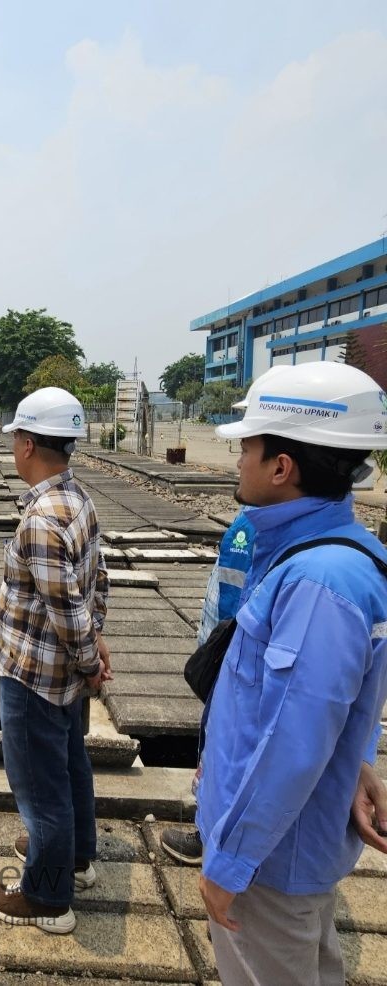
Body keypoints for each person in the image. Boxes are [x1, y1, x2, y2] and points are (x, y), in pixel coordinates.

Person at [196, 362, 387, 985]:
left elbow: (293, 742)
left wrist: (230, 862)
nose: (237, 460)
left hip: (271, 861)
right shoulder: (333, 555)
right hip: (288, 837)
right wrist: (358, 764)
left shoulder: (317, 583)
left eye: (246, 447)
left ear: (282, 467)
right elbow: (333, 703)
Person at [0, 387, 111, 934]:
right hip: (64, 679)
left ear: (29, 444)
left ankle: (47, 898)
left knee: (39, 788)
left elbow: (65, 610)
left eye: (16, 437)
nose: (14, 446)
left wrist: (91, 661)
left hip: (35, 677)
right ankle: (74, 857)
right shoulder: (79, 500)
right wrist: (95, 648)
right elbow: (95, 582)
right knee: (70, 765)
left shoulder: (41, 519)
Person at [160, 508, 255, 865]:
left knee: (221, 749)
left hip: (231, 663)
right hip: (232, 661)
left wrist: (217, 655)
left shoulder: (249, 527)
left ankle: (208, 837)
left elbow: (232, 602)